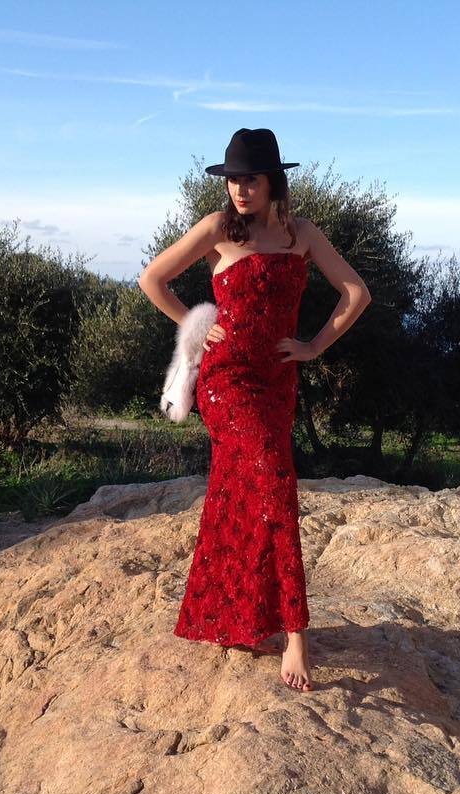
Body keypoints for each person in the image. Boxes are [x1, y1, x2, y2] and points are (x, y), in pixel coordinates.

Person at [138, 128, 371, 692]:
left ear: (272, 182)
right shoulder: (218, 229)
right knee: (274, 482)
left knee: (239, 496)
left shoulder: (302, 233)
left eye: (251, 179)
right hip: (227, 383)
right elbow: (152, 279)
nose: (240, 189)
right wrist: (196, 324)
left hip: (276, 383)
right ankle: (295, 634)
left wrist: (313, 346)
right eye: (234, 180)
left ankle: (233, 616)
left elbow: (356, 293)